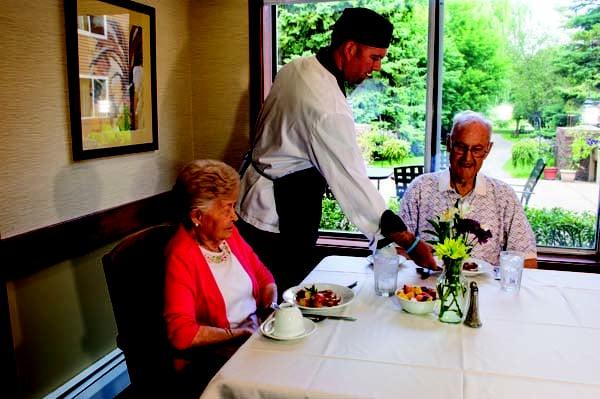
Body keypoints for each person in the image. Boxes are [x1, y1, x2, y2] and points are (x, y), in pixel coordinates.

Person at [236, 7, 437, 293]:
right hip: (277, 216)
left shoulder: (297, 67)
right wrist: (410, 242)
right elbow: (354, 183)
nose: (377, 67)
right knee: (284, 297)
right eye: (374, 57)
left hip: (254, 195)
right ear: (350, 48)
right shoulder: (327, 109)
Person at [164, 159, 277, 397]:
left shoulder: (230, 235)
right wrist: (239, 334)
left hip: (254, 339)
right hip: (217, 358)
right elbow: (181, 333)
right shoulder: (181, 256)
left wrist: (272, 305)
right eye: (226, 208)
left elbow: (263, 276)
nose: (234, 217)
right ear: (198, 215)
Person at [400, 111, 537, 268]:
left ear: (488, 150)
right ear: (449, 143)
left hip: (486, 290)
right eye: (461, 147)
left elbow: (527, 259)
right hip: (429, 289)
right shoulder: (420, 188)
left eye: (477, 149)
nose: (467, 158)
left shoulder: (504, 196)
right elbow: (396, 249)